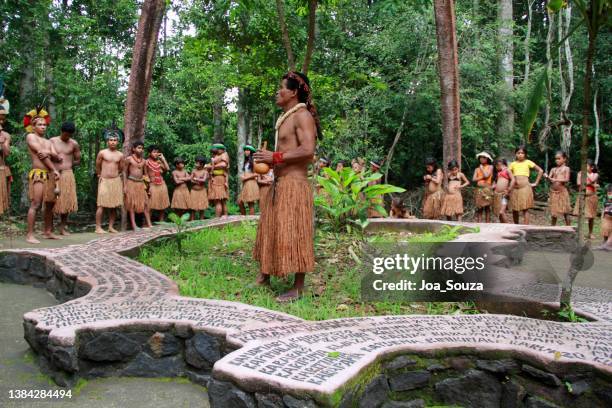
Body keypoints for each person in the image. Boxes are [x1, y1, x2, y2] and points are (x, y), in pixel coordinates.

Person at [253, 71, 319, 302]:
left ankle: (298, 287)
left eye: (281, 87)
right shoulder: (286, 117)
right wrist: (267, 160)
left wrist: (276, 156)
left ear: (293, 91)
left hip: (294, 184)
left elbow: (308, 151)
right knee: (271, 227)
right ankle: (265, 275)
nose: (277, 92)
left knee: (296, 231)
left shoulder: (302, 116)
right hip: (279, 183)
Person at [24, 108, 61, 243]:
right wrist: (54, 168)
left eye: (44, 125)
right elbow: (40, 154)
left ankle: (47, 231)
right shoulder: (30, 137)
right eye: (40, 124)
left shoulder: (49, 141)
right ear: (33, 126)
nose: (43, 127)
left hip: (50, 175)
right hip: (39, 174)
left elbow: (56, 156)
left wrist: (50, 154)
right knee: (36, 203)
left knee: (50, 204)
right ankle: (29, 235)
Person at [49, 122, 81, 235]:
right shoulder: (52, 141)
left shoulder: (74, 144)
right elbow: (46, 157)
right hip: (53, 173)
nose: (67, 137)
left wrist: (69, 163)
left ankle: (62, 228)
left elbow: (78, 160)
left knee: (66, 202)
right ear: (61, 131)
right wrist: (54, 158)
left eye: (69, 135)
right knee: (51, 201)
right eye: (66, 134)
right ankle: (49, 228)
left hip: (67, 174)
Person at [95, 127, 124, 233]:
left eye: (115, 140)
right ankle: (98, 227)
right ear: (107, 141)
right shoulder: (102, 153)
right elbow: (97, 165)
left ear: (118, 142)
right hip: (104, 180)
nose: (113, 142)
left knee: (114, 205)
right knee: (101, 204)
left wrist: (116, 176)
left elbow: (121, 168)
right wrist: (99, 175)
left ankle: (111, 227)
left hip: (115, 181)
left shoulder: (120, 155)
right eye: (111, 140)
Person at [508, 145, 543, 225]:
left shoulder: (528, 162)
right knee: (515, 209)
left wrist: (536, 183)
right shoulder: (512, 164)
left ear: (525, 154)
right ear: (515, 154)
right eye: (518, 153)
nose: (520, 154)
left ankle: (526, 227)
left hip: (525, 188)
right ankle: (516, 226)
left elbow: (540, 171)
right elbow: (508, 174)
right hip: (515, 189)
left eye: (522, 153)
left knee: (525, 208)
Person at [124, 141, 152, 230]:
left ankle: (149, 223)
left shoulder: (144, 161)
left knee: (145, 204)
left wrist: (148, 187)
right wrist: (124, 186)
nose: (141, 150)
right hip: (131, 183)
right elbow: (124, 173)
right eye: (139, 148)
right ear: (133, 149)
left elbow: (146, 174)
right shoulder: (129, 159)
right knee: (132, 204)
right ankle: (134, 225)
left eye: (142, 148)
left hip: (140, 184)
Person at [573, 159, 599, 239]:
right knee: (580, 215)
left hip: (591, 197)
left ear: (591, 167)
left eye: (586, 166)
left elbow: (592, 179)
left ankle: (590, 233)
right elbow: (578, 183)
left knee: (591, 216)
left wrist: (586, 175)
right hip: (582, 196)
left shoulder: (595, 174)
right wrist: (592, 184)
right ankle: (579, 232)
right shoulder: (579, 173)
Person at [545, 151, 572, 226]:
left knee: (566, 212)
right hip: (553, 192)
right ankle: (552, 228)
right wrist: (547, 177)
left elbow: (566, 179)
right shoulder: (553, 169)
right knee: (554, 213)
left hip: (562, 192)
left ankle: (569, 228)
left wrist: (556, 180)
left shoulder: (566, 168)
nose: (557, 160)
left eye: (559, 158)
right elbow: (550, 178)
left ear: (564, 159)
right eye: (556, 159)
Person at [146, 145, 170, 222]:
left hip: (162, 185)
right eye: (154, 152)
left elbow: (167, 169)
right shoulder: (146, 162)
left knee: (162, 205)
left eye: (157, 152)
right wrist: (147, 188)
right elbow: (145, 175)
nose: (156, 154)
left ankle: (161, 222)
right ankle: (147, 223)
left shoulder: (159, 162)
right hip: (152, 185)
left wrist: (163, 159)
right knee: (150, 206)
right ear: (149, 153)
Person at [208, 143, 229, 218]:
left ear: (221, 149)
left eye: (218, 149)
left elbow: (224, 165)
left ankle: (218, 218)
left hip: (219, 179)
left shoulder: (224, 155)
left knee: (218, 199)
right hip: (218, 178)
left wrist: (211, 166)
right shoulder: (217, 156)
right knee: (221, 199)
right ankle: (224, 215)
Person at [238, 145, 260, 216]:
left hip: (251, 183)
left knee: (250, 203)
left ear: (251, 152)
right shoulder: (246, 161)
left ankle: (251, 221)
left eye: (248, 150)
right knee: (240, 202)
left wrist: (246, 178)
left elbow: (256, 174)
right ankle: (243, 218)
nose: (246, 151)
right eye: (245, 150)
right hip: (246, 183)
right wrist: (243, 176)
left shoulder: (254, 161)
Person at [472, 152, 494, 223]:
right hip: (479, 190)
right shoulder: (476, 169)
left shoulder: (490, 167)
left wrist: (481, 169)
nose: (482, 159)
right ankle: (479, 224)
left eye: (484, 157)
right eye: (481, 157)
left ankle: (487, 224)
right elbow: (473, 179)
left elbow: (487, 175)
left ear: (487, 159)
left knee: (487, 208)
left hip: (487, 189)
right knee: (479, 207)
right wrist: (482, 177)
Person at [492, 158, 514, 223]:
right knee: (499, 213)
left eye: (496, 166)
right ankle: (502, 226)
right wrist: (494, 186)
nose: (496, 168)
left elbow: (513, 180)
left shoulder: (507, 170)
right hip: (497, 194)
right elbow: (497, 182)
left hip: (504, 194)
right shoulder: (499, 173)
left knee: (501, 212)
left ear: (500, 164)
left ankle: (508, 227)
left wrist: (509, 189)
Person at [0, 100, 11, 216]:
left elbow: (7, 153)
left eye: (3, 119)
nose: (1, 121)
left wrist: (2, 143)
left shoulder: (6, 135)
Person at [190, 156, 209, 220]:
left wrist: (196, 179)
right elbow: (191, 179)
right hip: (194, 191)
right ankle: (192, 220)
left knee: (202, 207)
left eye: (197, 163)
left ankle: (201, 220)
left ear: (201, 164)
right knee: (192, 207)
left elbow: (204, 180)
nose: (195, 164)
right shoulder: (194, 171)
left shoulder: (205, 172)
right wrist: (198, 181)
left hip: (202, 191)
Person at [596, 184, 612, 251]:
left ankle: (607, 244)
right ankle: (605, 243)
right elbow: (603, 209)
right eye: (608, 193)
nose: (609, 194)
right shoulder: (605, 200)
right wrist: (602, 217)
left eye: (610, 193)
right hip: (606, 217)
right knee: (605, 229)